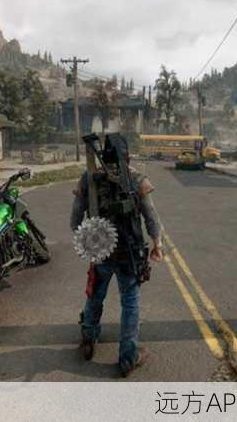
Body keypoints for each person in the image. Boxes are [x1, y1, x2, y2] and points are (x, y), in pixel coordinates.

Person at [70, 133, 163, 377]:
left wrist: (89, 241)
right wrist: (158, 244)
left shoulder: (88, 179)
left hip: (100, 252)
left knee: (95, 295)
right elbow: (151, 218)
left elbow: (74, 220)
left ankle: (89, 337)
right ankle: (127, 357)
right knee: (130, 303)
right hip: (130, 254)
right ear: (127, 155)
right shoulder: (138, 180)